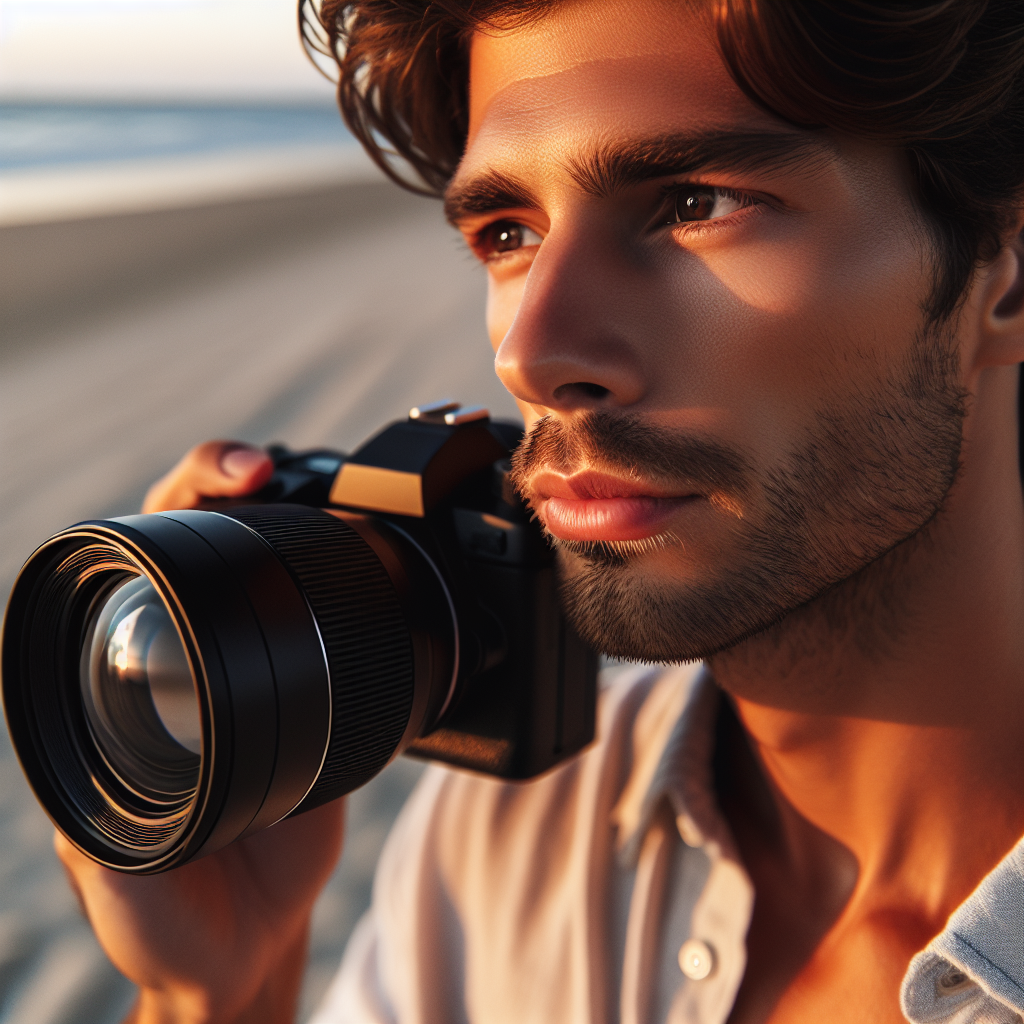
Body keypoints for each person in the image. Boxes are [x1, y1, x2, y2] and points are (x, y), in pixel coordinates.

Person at [56, 1, 1024, 1021]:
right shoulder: (514, 829)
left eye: (697, 202)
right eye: (507, 233)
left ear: (1003, 276)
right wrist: (220, 988)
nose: (533, 348)